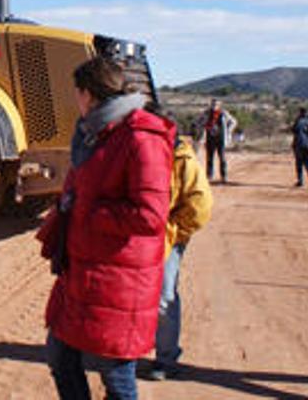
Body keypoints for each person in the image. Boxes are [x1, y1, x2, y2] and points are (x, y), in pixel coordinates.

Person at [36, 57, 175, 400]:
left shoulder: (141, 137)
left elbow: (150, 215)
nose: (76, 101)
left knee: (116, 374)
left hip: (119, 277)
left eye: (77, 94)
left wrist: (89, 211)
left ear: (89, 94)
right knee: (60, 354)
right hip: (85, 270)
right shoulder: (95, 133)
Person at [143, 109, 213, 381]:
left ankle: (166, 359)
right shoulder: (137, 151)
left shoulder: (181, 157)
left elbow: (200, 205)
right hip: (139, 236)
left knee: (164, 295)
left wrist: (172, 232)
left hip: (167, 236)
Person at [194, 99, 237, 183]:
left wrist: (229, 130)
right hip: (209, 138)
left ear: (219, 105)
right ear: (210, 104)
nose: (214, 106)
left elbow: (234, 122)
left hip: (220, 139)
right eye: (213, 104)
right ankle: (209, 176)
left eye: (216, 104)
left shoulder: (223, 113)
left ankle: (223, 177)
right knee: (209, 158)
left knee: (222, 158)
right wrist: (201, 127)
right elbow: (197, 121)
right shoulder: (206, 113)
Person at [292, 107, 308, 187]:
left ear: (300, 113)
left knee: (299, 163)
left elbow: (294, 130)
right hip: (307, 145)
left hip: (299, 145)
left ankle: (300, 181)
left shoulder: (298, 121)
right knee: (307, 163)